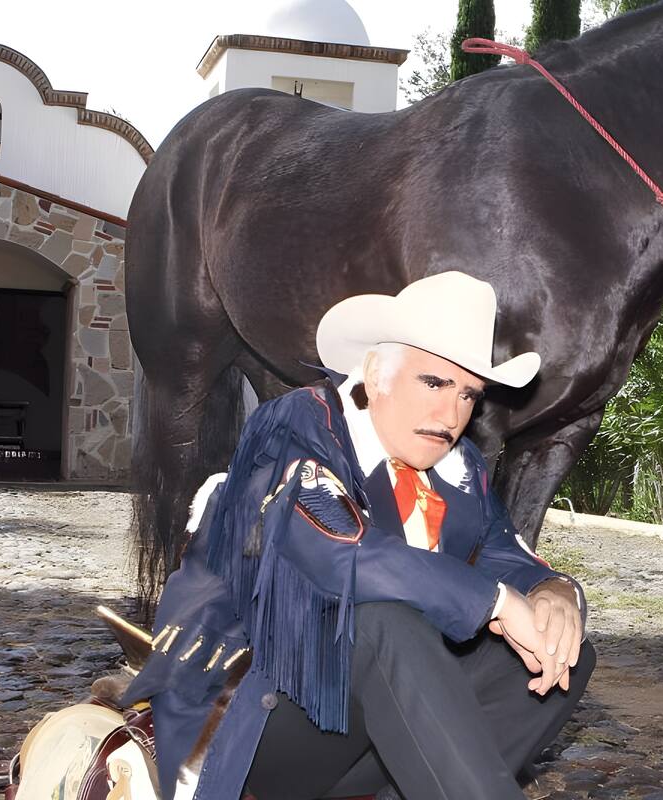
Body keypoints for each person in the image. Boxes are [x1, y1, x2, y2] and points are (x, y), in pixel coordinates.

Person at [125, 271, 594, 800]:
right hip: (248, 717)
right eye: (434, 383)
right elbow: (342, 555)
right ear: (376, 372)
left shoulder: (459, 468)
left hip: (362, 729)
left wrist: (552, 593)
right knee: (382, 624)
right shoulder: (295, 428)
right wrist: (499, 603)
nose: (451, 414)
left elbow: (503, 553)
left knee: (564, 651)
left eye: (468, 394)